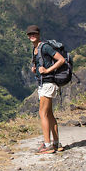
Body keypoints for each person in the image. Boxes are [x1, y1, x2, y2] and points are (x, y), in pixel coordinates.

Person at [27, 25, 66, 154]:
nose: (32, 36)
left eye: (34, 34)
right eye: (29, 34)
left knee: (42, 113)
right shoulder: (35, 49)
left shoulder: (45, 47)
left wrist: (47, 70)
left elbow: (61, 60)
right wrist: (36, 69)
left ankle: (47, 144)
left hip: (48, 84)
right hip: (44, 83)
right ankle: (56, 143)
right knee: (49, 114)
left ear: (38, 34)